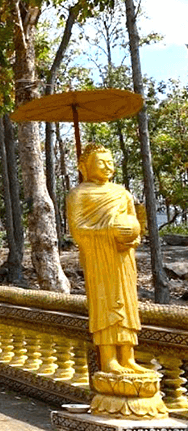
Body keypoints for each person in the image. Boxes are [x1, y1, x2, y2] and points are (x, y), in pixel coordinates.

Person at [67, 144, 147, 375]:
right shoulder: (78, 194)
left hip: (122, 257)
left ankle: (128, 356)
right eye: (100, 162)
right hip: (98, 257)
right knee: (105, 305)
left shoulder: (122, 193)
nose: (107, 166)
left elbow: (136, 226)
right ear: (84, 167)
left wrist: (132, 238)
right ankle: (109, 357)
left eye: (110, 161)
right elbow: (78, 230)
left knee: (127, 304)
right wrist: (108, 230)